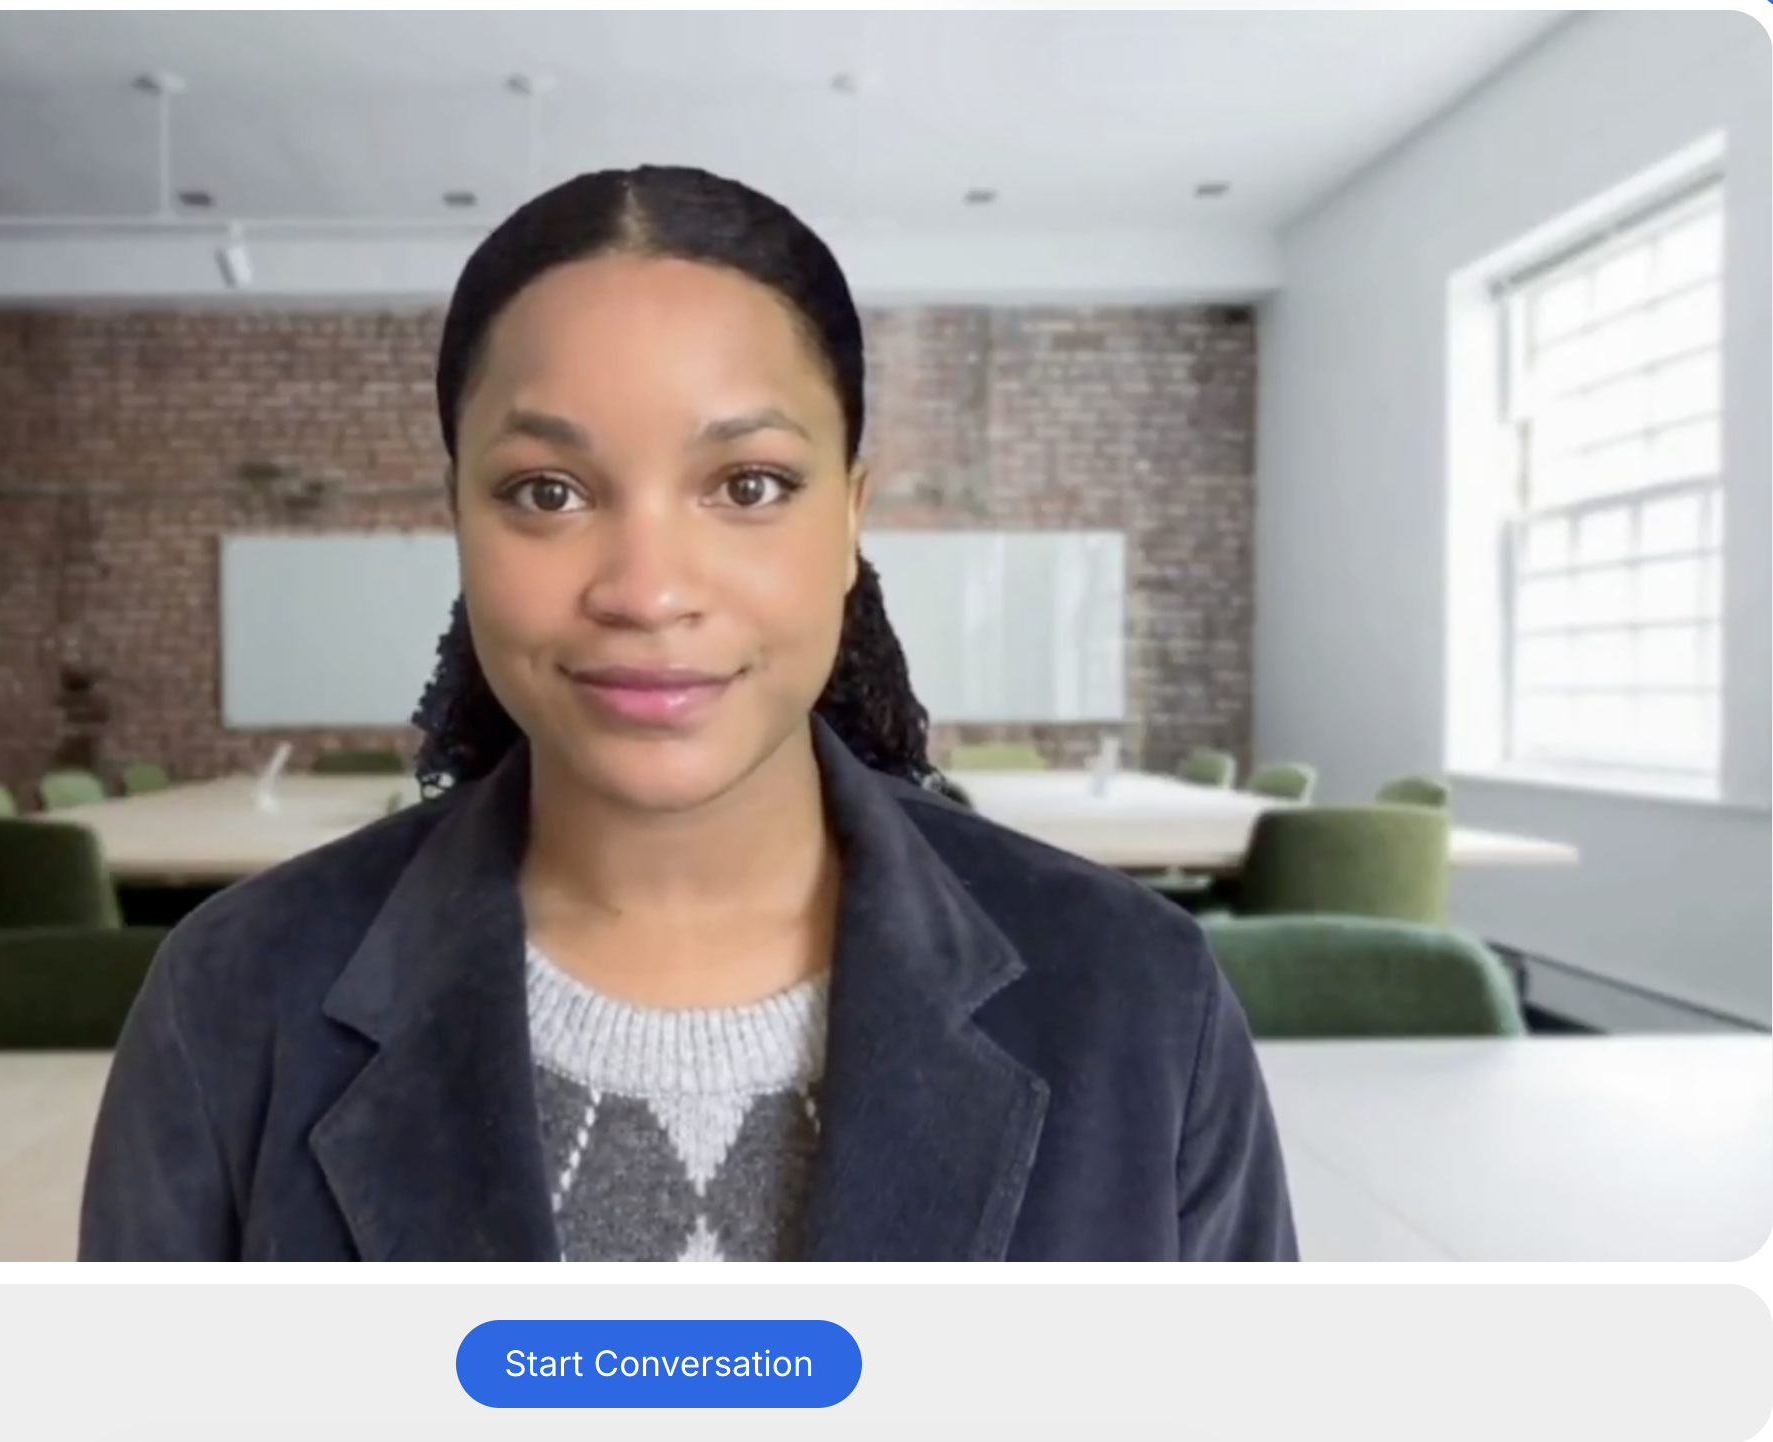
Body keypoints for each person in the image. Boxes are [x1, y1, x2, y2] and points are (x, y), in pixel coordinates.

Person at [79, 164, 1296, 1262]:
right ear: (457, 514)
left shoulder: (1137, 996)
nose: (647, 590)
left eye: (748, 484)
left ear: (851, 516)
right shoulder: (232, 1001)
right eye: (545, 490)